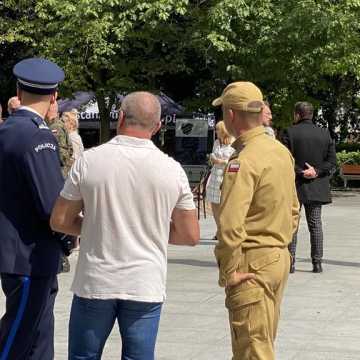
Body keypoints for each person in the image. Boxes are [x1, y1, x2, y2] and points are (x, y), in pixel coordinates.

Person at [50, 91, 200, 360]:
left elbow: (60, 220)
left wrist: (99, 225)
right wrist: (147, 227)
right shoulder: (172, 169)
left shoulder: (89, 161)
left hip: (96, 279)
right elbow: (189, 235)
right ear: (157, 126)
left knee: (83, 356)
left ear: (119, 117)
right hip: (144, 281)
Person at [211, 81, 299, 360]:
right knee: (262, 340)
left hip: (252, 260)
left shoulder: (244, 160)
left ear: (231, 114)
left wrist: (230, 270)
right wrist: (276, 241)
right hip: (276, 256)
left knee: (252, 349)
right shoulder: (279, 151)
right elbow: (294, 209)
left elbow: (230, 224)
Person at [0, 58, 66, 359]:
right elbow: (52, 205)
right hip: (30, 255)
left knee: (38, 339)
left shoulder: (9, 129)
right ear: (54, 96)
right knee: (19, 338)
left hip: (17, 252)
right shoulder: (38, 136)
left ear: (19, 89)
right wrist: (70, 237)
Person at [282, 101, 337, 273]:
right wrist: (316, 172)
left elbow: (284, 159)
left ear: (297, 114)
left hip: (294, 185)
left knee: (293, 223)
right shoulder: (324, 133)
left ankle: (290, 262)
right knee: (315, 224)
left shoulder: (289, 132)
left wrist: (300, 171)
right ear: (312, 115)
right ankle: (317, 263)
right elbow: (332, 161)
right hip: (316, 185)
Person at [206, 120, 234, 230]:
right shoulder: (217, 142)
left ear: (223, 130)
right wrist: (213, 158)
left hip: (225, 175)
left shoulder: (233, 142)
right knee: (214, 204)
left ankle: (225, 229)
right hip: (215, 175)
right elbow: (213, 154)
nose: (216, 131)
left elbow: (234, 160)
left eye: (217, 129)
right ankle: (219, 229)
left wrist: (222, 162)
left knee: (224, 204)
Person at [45, 101, 74, 178]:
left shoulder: (55, 127)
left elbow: (61, 153)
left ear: (49, 109)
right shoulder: (55, 124)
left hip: (58, 172)